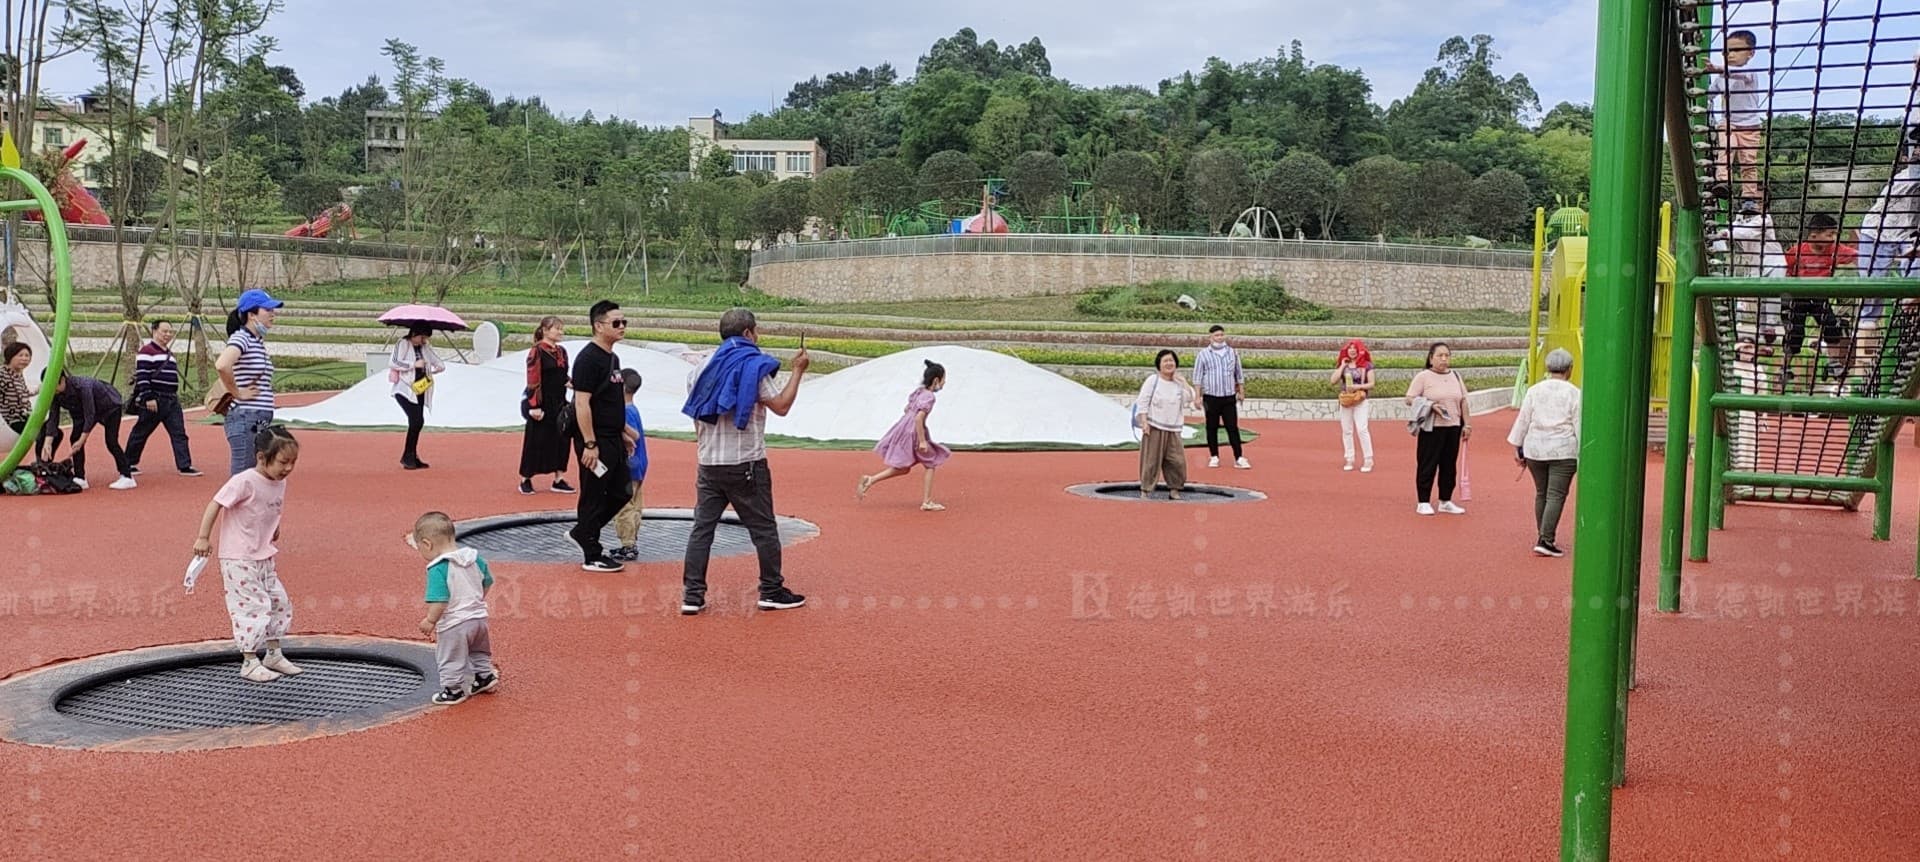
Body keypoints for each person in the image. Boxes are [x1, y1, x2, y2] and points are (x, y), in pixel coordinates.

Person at [679, 307, 810, 615]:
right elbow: (781, 406)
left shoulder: (700, 368)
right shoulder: (754, 366)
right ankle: (771, 590)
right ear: (749, 333)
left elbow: (697, 414)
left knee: (702, 530)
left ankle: (692, 595)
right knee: (763, 528)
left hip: (709, 462)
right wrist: (798, 370)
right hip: (746, 462)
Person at [189, 425, 301, 683]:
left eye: (293, 463)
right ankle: (249, 660)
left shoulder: (279, 482)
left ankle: (273, 653)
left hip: (263, 554)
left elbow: (271, 508)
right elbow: (216, 503)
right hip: (239, 557)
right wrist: (203, 537)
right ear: (261, 457)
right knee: (252, 606)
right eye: (283, 462)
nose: (288, 469)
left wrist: (275, 527)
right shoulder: (244, 481)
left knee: (278, 601)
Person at [570, 300, 634, 573]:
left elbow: (611, 399)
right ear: (598, 326)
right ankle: (591, 552)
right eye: (616, 323)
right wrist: (590, 443)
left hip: (613, 438)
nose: (622, 327)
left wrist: (623, 432)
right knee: (594, 493)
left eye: (624, 322)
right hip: (595, 439)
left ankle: (583, 531)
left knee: (622, 491)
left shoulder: (613, 358)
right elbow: (581, 403)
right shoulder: (587, 359)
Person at [409, 511, 499, 706]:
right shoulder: (474, 559)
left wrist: (430, 620)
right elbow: (488, 581)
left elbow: (440, 600)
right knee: (479, 651)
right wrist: (476, 599)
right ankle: (485, 676)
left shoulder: (439, 568)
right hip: (478, 619)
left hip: (455, 624)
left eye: (420, 549)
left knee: (450, 656)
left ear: (427, 544)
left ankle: (453, 690)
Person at [1508, 348, 1581, 557]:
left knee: (1542, 493)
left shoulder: (1534, 390)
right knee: (1556, 495)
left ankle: (1544, 535)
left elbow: (1524, 420)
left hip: (1535, 448)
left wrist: (1518, 446)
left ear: (1548, 367)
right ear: (1569, 369)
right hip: (1563, 449)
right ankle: (1546, 539)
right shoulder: (1574, 393)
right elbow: (1579, 424)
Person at [857, 359, 951, 510]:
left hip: (905, 428)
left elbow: (907, 409)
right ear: (936, 380)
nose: (945, 383)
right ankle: (927, 501)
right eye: (944, 379)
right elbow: (919, 417)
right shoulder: (929, 397)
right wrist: (921, 440)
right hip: (913, 431)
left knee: (904, 467)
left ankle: (871, 479)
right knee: (931, 463)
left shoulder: (919, 392)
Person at [1780, 213, 1858, 385]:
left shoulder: (1834, 250)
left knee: (1832, 325)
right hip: (1798, 297)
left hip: (1819, 297)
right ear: (1814, 235)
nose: (1833, 238)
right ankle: (1784, 366)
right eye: (1829, 235)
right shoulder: (1797, 252)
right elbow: (1783, 270)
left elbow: (1857, 255)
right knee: (1795, 334)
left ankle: (1833, 362)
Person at [214, 289, 282, 477]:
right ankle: (231, 507)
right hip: (245, 417)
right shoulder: (241, 338)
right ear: (252, 315)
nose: (272, 314)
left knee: (255, 475)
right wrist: (237, 392)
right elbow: (222, 364)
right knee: (243, 477)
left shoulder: (256, 341)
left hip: (257, 418)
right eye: (268, 310)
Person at [125, 319, 201, 478]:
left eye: (170, 332)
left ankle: (184, 465)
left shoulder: (169, 354)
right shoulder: (146, 351)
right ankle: (128, 462)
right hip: (155, 398)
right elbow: (143, 376)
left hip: (172, 399)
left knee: (179, 432)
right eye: (164, 331)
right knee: (141, 431)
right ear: (154, 331)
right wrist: (148, 397)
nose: (167, 335)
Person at [1405, 342, 1471, 516]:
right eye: (1440, 355)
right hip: (1432, 428)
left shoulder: (1455, 376)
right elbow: (1409, 398)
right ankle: (1423, 501)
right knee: (1428, 464)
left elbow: (1463, 400)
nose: (1444, 359)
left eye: (1447, 355)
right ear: (1431, 358)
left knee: (1449, 465)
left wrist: (1468, 424)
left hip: (1453, 427)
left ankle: (1445, 500)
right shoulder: (1423, 377)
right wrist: (1430, 405)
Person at [39, 369, 134, 490]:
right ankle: (80, 477)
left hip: (109, 407)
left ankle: (127, 476)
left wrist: (82, 440)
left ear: (62, 380)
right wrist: (48, 443)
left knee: (111, 441)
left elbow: (90, 414)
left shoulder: (83, 386)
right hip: (81, 412)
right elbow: (53, 417)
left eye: (53, 387)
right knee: (74, 438)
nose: (52, 391)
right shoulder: (54, 393)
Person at [1704, 29, 1765, 203]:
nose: (1730, 54)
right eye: (1726, 51)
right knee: (1725, 150)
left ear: (1750, 53)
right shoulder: (1721, 78)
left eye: (1737, 50)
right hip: (1729, 123)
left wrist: (1718, 68)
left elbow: (1738, 74)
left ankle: (1749, 197)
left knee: (1748, 162)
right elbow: (1709, 95)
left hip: (1750, 127)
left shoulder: (1750, 71)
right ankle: (1723, 181)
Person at [518, 315, 575, 495]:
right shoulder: (537, 351)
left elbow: (563, 374)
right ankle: (526, 478)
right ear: (545, 330)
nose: (560, 332)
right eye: (556, 328)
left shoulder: (562, 351)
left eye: (561, 328)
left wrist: (573, 383)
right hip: (542, 402)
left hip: (560, 402)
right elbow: (533, 379)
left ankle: (558, 478)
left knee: (562, 439)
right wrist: (534, 405)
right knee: (536, 440)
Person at [1134, 349, 1199, 500]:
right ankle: (1146, 489)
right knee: (1151, 460)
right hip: (1154, 425)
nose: (1169, 364)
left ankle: (1175, 489)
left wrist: (1183, 383)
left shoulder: (1178, 384)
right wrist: (1144, 421)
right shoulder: (1153, 380)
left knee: (1177, 461)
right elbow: (1143, 400)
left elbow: (1189, 398)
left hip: (1173, 428)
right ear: (1159, 365)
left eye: (1171, 361)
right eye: (1166, 361)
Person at [389, 324, 447, 470]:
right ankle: (408, 456)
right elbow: (393, 362)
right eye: (422, 337)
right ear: (414, 334)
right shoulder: (403, 344)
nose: (423, 341)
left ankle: (411, 456)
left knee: (418, 422)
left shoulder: (424, 347)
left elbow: (436, 360)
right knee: (416, 421)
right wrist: (413, 364)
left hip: (420, 389)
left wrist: (439, 366)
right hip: (405, 389)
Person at [1191, 325, 1247, 469]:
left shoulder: (1232, 353)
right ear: (1210, 337)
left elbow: (1238, 373)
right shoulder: (1203, 354)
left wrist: (1241, 391)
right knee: (1211, 426)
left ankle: (1239, 457)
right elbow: (1197, 376)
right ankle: (1214, 455)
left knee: (1232, 427)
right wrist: (1197, 396)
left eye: (1221, 335)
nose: (1220, 338)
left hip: (1228, 397)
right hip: (1211, 397)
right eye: (1216, 335)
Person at [608, 369, 648, 562]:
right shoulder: (633, 408)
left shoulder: (624, 411)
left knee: (624, 505)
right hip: (639, 464)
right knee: (635, 504)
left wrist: (619, 425)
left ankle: (628, 544)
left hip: (630, 465)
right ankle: (631, 541)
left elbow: (635, 435)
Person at [1330, 338, 1375, 472]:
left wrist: (1357, 386)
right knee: (1347, 430)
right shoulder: (1344, 365)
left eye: (1355, 349)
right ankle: (1349, 457)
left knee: (1362, 429)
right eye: (1349, 349)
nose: (1352, 352)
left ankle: (1368, 459)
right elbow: (1333, 380)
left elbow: (1372, 383)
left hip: (1360, 398)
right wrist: (1342, 365)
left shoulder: (1367, 365)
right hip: (1347, 400)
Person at [2, 341, 30, 437]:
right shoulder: (3, 373)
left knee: (54, 432)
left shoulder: (18, 375)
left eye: (27, 355)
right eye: (20, 355)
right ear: (10, 356)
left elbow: (23, 393)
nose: (24, 359)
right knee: (39, 433)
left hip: (22, 417)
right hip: (9, 421)